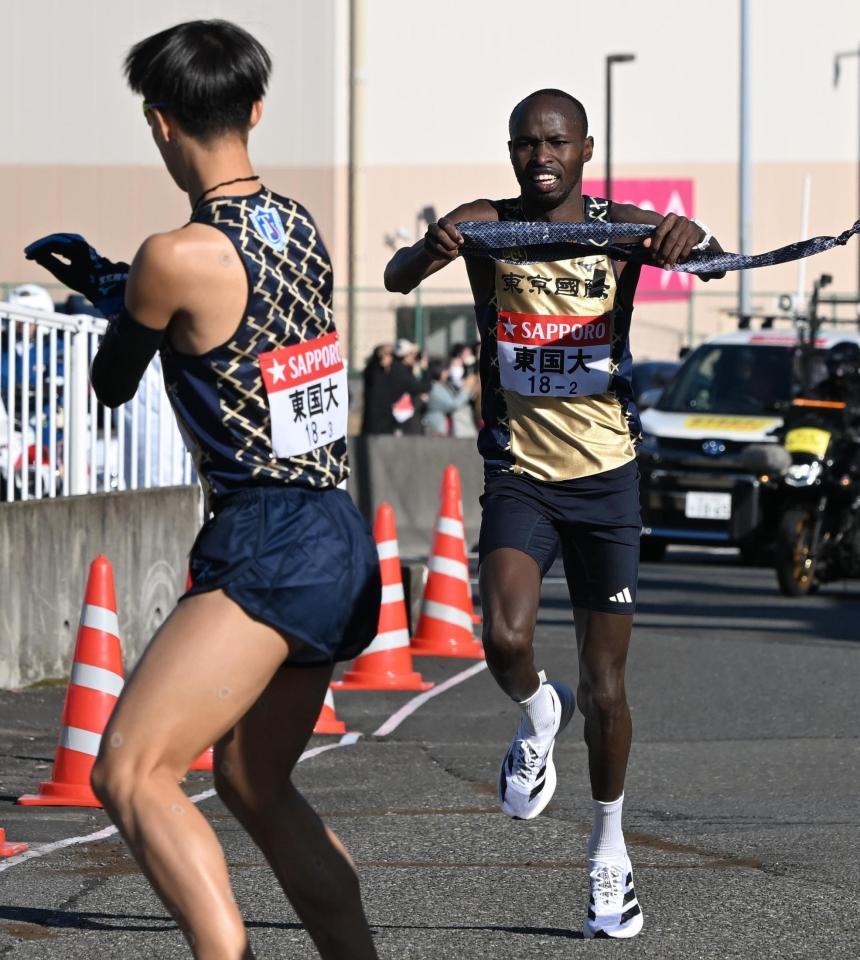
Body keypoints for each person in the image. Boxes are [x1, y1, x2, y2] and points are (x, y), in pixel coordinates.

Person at [25, 20, 381, 960]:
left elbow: (114, 377)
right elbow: (230, 320)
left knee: (132, 771)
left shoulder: (172, 253)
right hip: (338, 532)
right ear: (255, 109)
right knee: (257, 782)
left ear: (159, 123)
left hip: (266, 533)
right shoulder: (299, 225)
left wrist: (103, 282)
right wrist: (119, 280)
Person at [384, 87, 724, 939]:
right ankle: (538, 707)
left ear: (585, 148)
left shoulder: (622, 228)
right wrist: (430, 249)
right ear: (510, 152)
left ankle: (610, 853)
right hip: (521, 474)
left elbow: (711, 260)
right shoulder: (485, 225)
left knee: (609, 690)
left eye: (556, 143)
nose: (540, 159)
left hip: (607, 479)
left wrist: (697, 239)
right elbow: (396, 278)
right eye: (525, 145)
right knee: (501, 638)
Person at [422, 356, 477, 436]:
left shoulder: (443, 386)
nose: (447, 373)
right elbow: (452, 405)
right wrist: (466, 389)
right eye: (445, 370)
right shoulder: (435, 389)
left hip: (444, 428)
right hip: (436, 428)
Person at [360, 342, 397, 434]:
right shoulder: (373, 370)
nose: (390, 358)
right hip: (375, 415)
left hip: (385, 415)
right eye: (388, 355)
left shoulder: (387, 371)